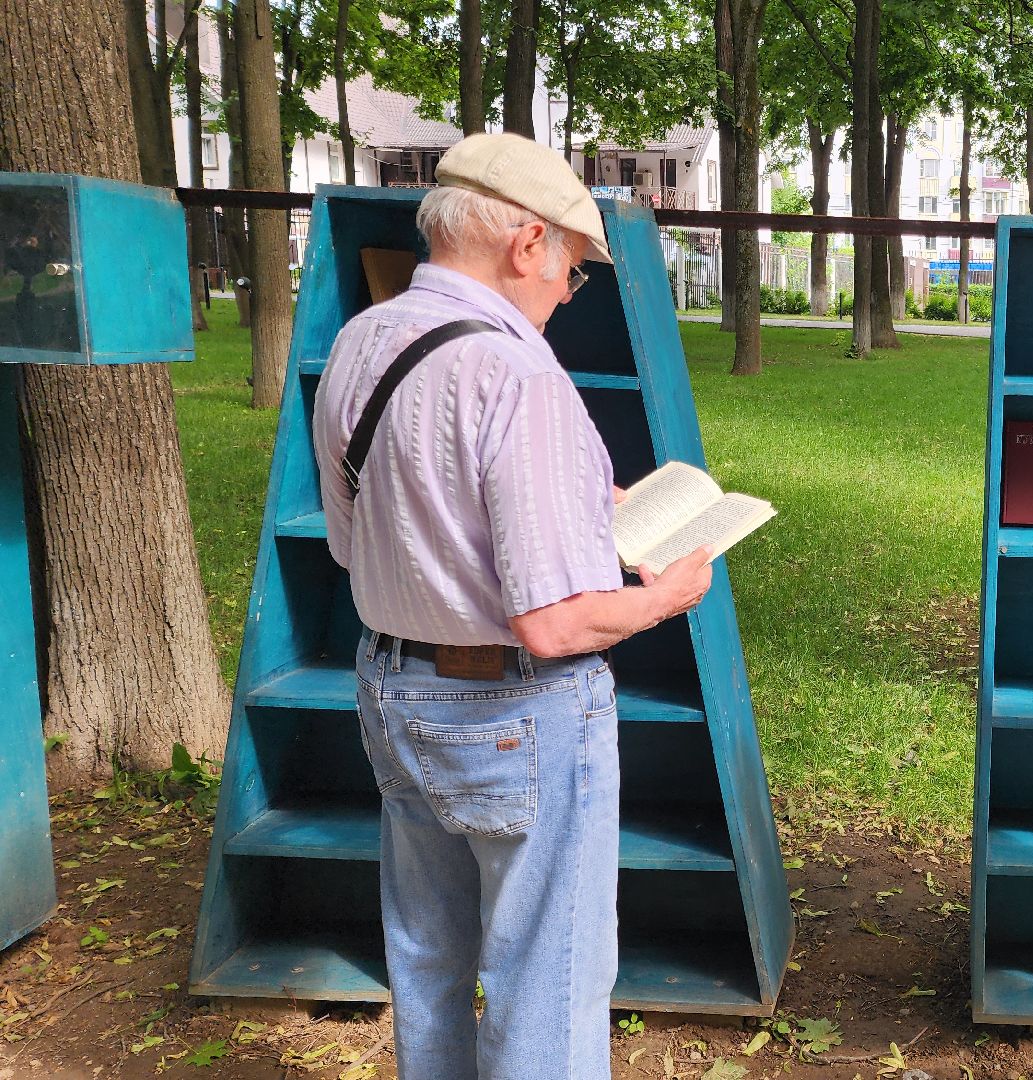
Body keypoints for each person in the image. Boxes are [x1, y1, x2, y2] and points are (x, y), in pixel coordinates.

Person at [311, 132, 715, 1080]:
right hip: (517, 712)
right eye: (571, 271)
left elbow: (351, 539)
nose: (565, 297)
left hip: (394, 689)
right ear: (526, 244)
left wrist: (581, 506)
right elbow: (555, 621)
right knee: (549, 980)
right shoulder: (520, 372)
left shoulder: (362, 339)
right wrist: (666, 597)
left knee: (426, 960)